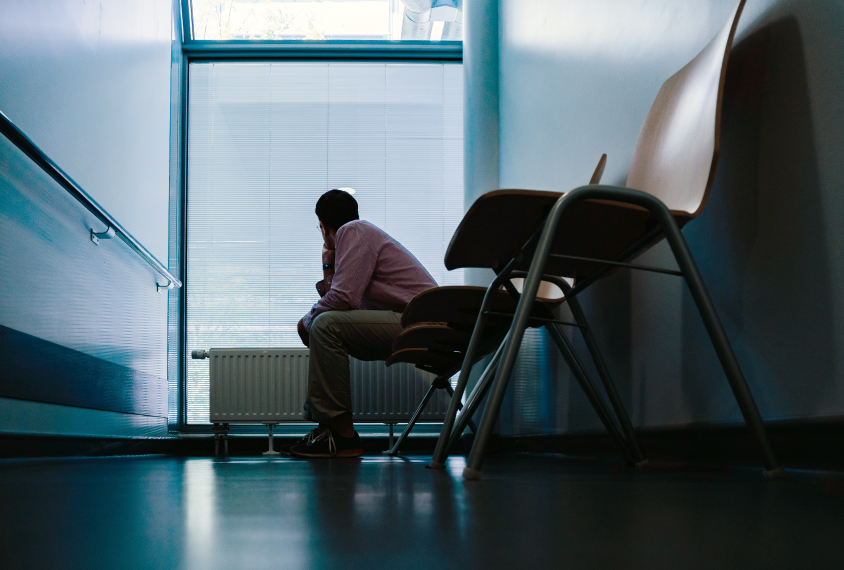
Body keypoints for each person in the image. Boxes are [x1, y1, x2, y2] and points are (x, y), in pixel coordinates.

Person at [286, 189, 438, 458]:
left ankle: (341, 435)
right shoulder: (358, 234)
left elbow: (343, 298)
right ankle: (331, 429)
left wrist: (306, 321)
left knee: (324, 325)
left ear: (322, 226)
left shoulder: (353, 231)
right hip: (416, 321)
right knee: (325, 324)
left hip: (423, 324)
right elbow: (346, 298)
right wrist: (328, 266)